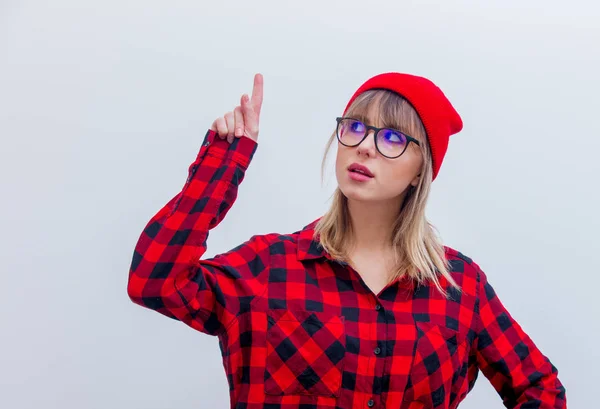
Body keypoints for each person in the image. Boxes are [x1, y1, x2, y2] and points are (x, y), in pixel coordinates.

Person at [127, 72, 567, 409]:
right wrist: (223, 162)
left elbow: (540, 388)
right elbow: (154, 283)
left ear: (421, 172)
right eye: (355, 127)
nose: (366, 147)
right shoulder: (268, 267)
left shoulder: (459, 287)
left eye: (393, 138)